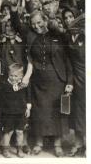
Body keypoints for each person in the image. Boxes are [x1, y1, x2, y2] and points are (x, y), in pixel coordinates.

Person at [28, 11, 73, 157]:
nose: (37, 26)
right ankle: (38, 143)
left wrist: (69, 81)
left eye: (39, 22)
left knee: (56, 113)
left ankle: (57, 145)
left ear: (45, 20)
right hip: (38, 82)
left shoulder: (57, 36)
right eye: (33, 24)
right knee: (39, 112)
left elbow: (67, 61)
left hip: (56, 81)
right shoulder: (31, 36)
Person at [0, 63, 31, 158]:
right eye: (11, 75)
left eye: (16, 76)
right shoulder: (5, 85)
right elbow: (1, 99)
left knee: (20, 131)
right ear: (8, 74)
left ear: (21, 76)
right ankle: (5, 149)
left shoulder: (24, 85)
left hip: (20, 112)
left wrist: (28, 109)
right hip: (8, 113)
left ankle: (19, 149)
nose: (13, 78)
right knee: (8, 131)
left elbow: (28, 98)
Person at [65, 13, 85, 156]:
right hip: (76, 79)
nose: (68, 21)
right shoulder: (66, 37)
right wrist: (70, 82)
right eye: (65, 18)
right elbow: (68, 63)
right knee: (77, 114)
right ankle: (78, 145)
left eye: (71, 17)